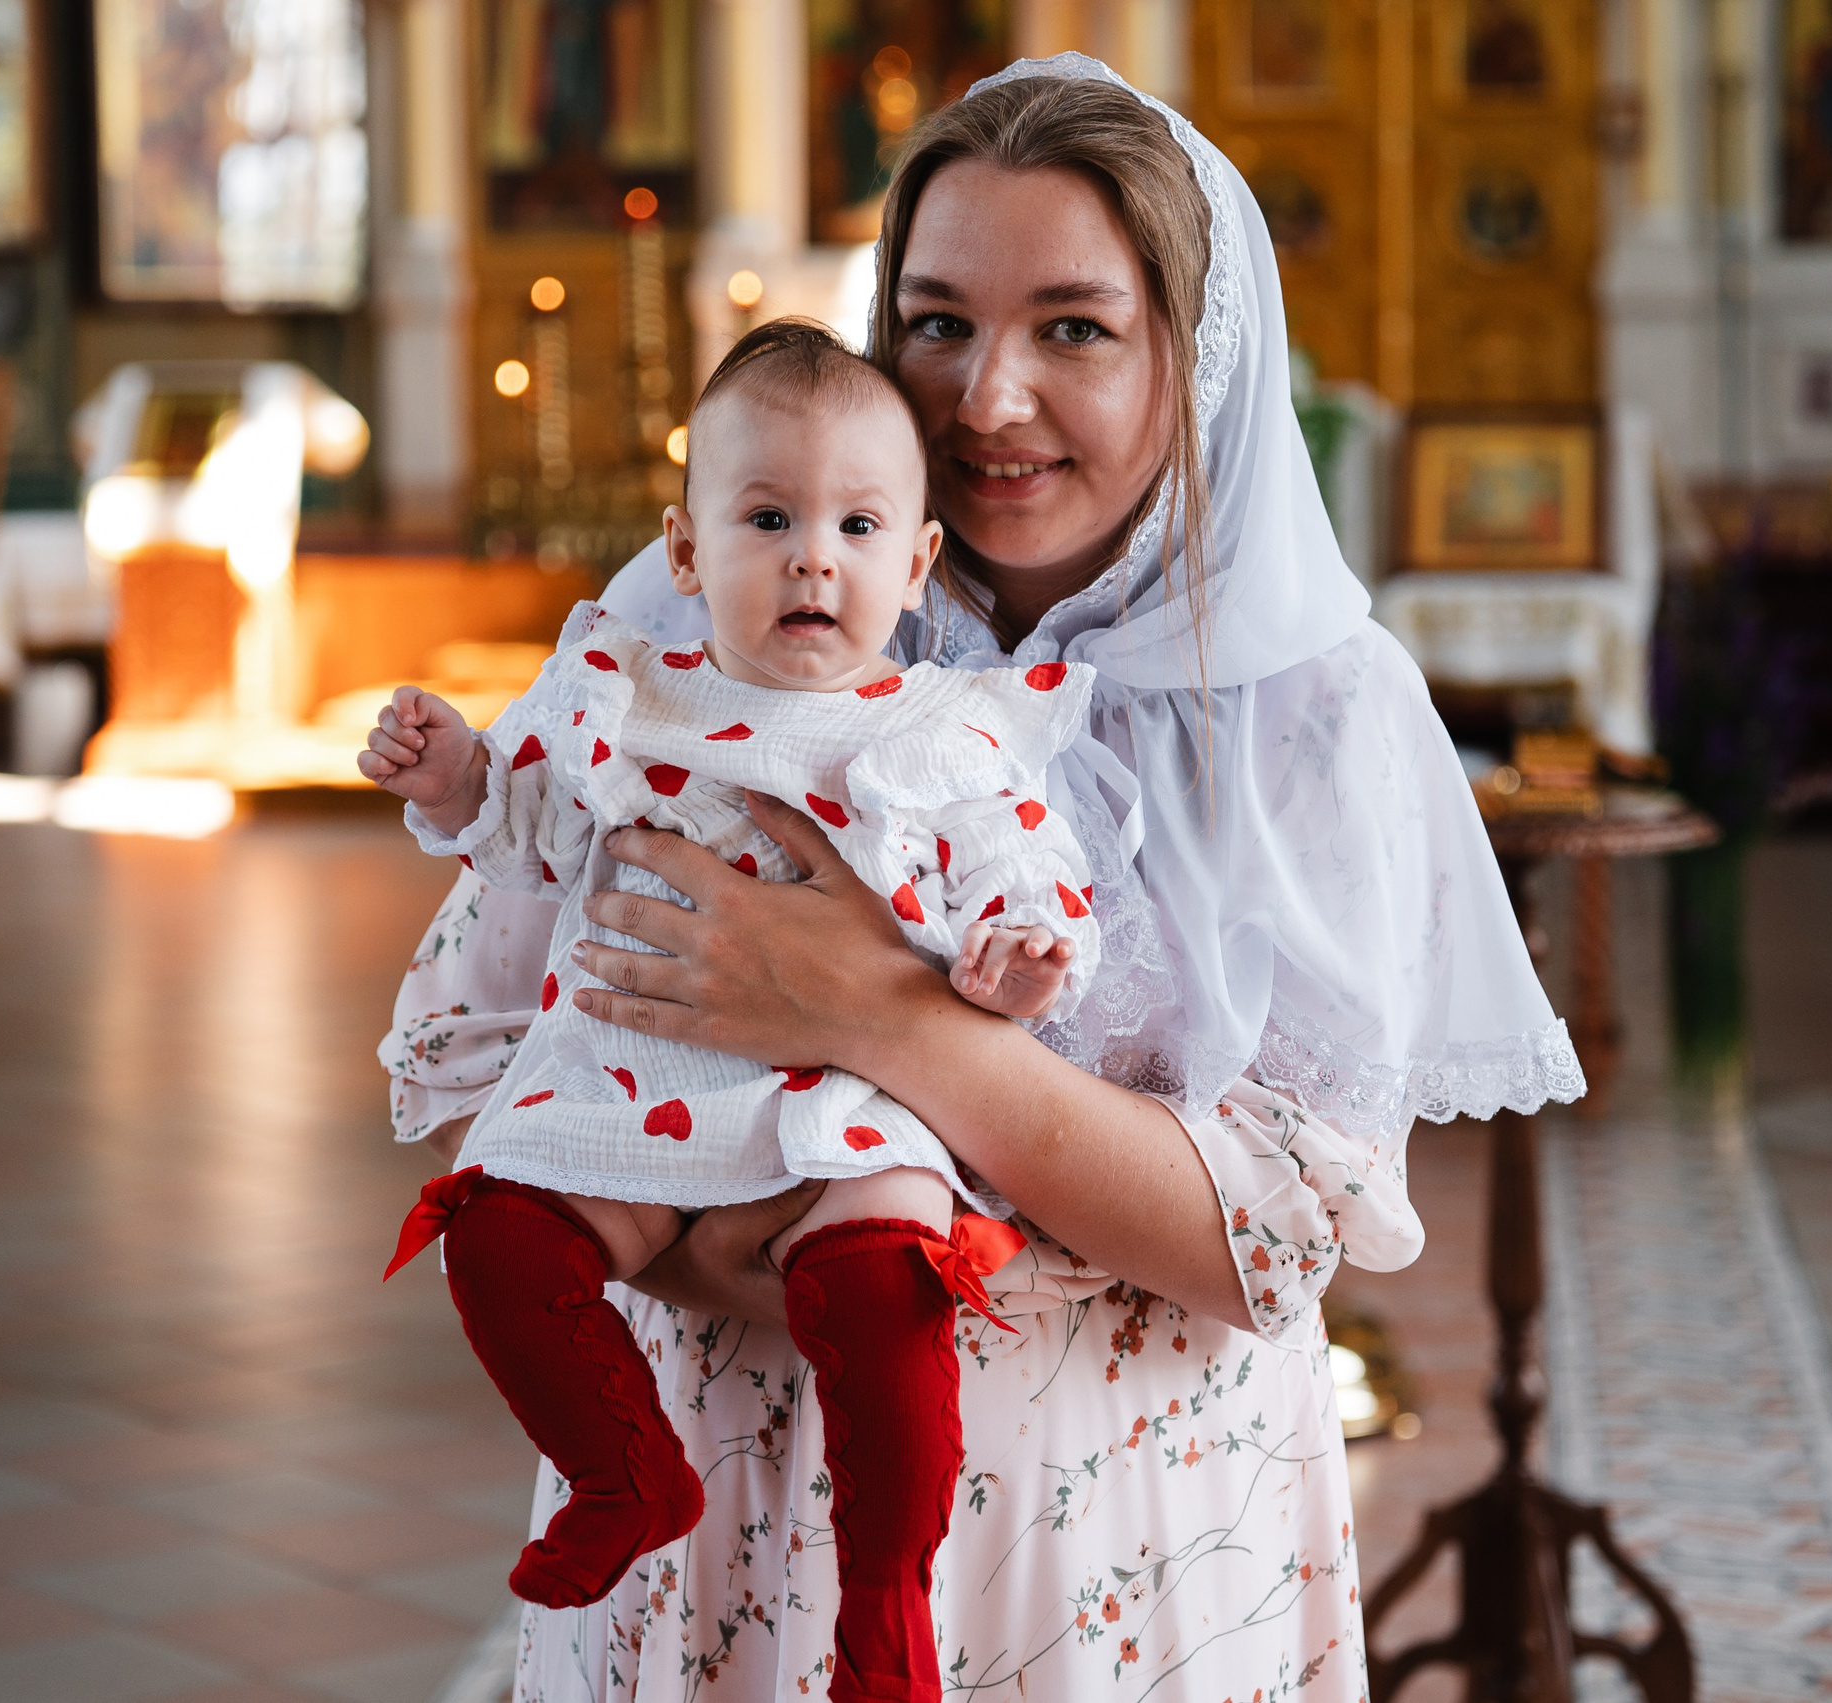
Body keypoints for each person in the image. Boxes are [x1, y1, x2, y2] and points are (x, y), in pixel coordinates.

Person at [380, 54, 1582, 1701]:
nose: (986, 399)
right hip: (735, 1505)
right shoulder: (698, 623)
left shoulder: (1313, 709)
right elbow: (494, 1066)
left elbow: (1273, 1245)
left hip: (1135, 1536)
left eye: (1074, 329)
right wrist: (738, 1245)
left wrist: (882, 1020)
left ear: (1195, 354)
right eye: (937, 322)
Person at [364, 320, 1102, 1699]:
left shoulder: (940, 731)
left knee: (888, 1283)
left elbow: (1022, 867)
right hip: (632, 1078)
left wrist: (1016, 955)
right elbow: (525, 832)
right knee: (498, 1237)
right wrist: (455, 773)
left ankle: (885, 1600)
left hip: (842, 1100)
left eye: (856, 526)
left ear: (916, 563)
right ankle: (622, 1470)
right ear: (688, 552)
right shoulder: (626, 698)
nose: (814, 557)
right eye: (768, 519)